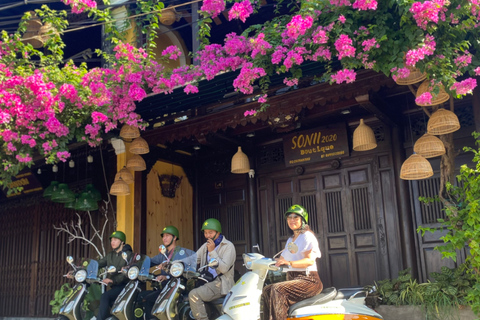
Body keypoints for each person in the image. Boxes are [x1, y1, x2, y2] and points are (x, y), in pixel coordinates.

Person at [261, 205, 323, 320]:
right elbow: (281, 259)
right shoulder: (291, 240)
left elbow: (309, 261)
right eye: (289, 217)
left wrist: (289, 262)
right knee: (267, 290)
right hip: (294, 280)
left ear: (303, 220)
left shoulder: (307, 236)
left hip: (309, 280)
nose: (292, 220)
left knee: (277, 289)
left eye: (296, 217)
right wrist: (265, 261)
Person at [136, 225, 194, 318]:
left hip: (176, 289)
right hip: (163, 288)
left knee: (148, 299)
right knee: (141, 296)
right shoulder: (163, 254)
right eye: (163, 236)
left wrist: (166, 276)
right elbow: (150, 262)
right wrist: (134, 265)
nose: (164, 238)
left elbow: (187, 268)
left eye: (167, 235)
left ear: (175, 237)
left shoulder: (182, 253)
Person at [189, 218, 236, 320]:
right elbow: (193, 259)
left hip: (221, 284)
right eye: (205, 233)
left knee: (194, 295)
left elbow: (224, 268)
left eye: (210, 232)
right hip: (206, 281)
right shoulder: (205, 246)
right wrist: (175, 263)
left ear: (218, 232)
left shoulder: (228, 246)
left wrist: (212, 251)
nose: (207, 235)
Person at [96, 230, 133, 320]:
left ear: (122, 242)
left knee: (105, 296)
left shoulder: (128, 255)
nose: (112, 242)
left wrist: (113, 280)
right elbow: (99, 263)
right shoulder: (110, 255)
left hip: (125, 286)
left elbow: (126, 272)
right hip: (115, 287)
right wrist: (84, 268)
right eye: (112, 240)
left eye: (115, 240)